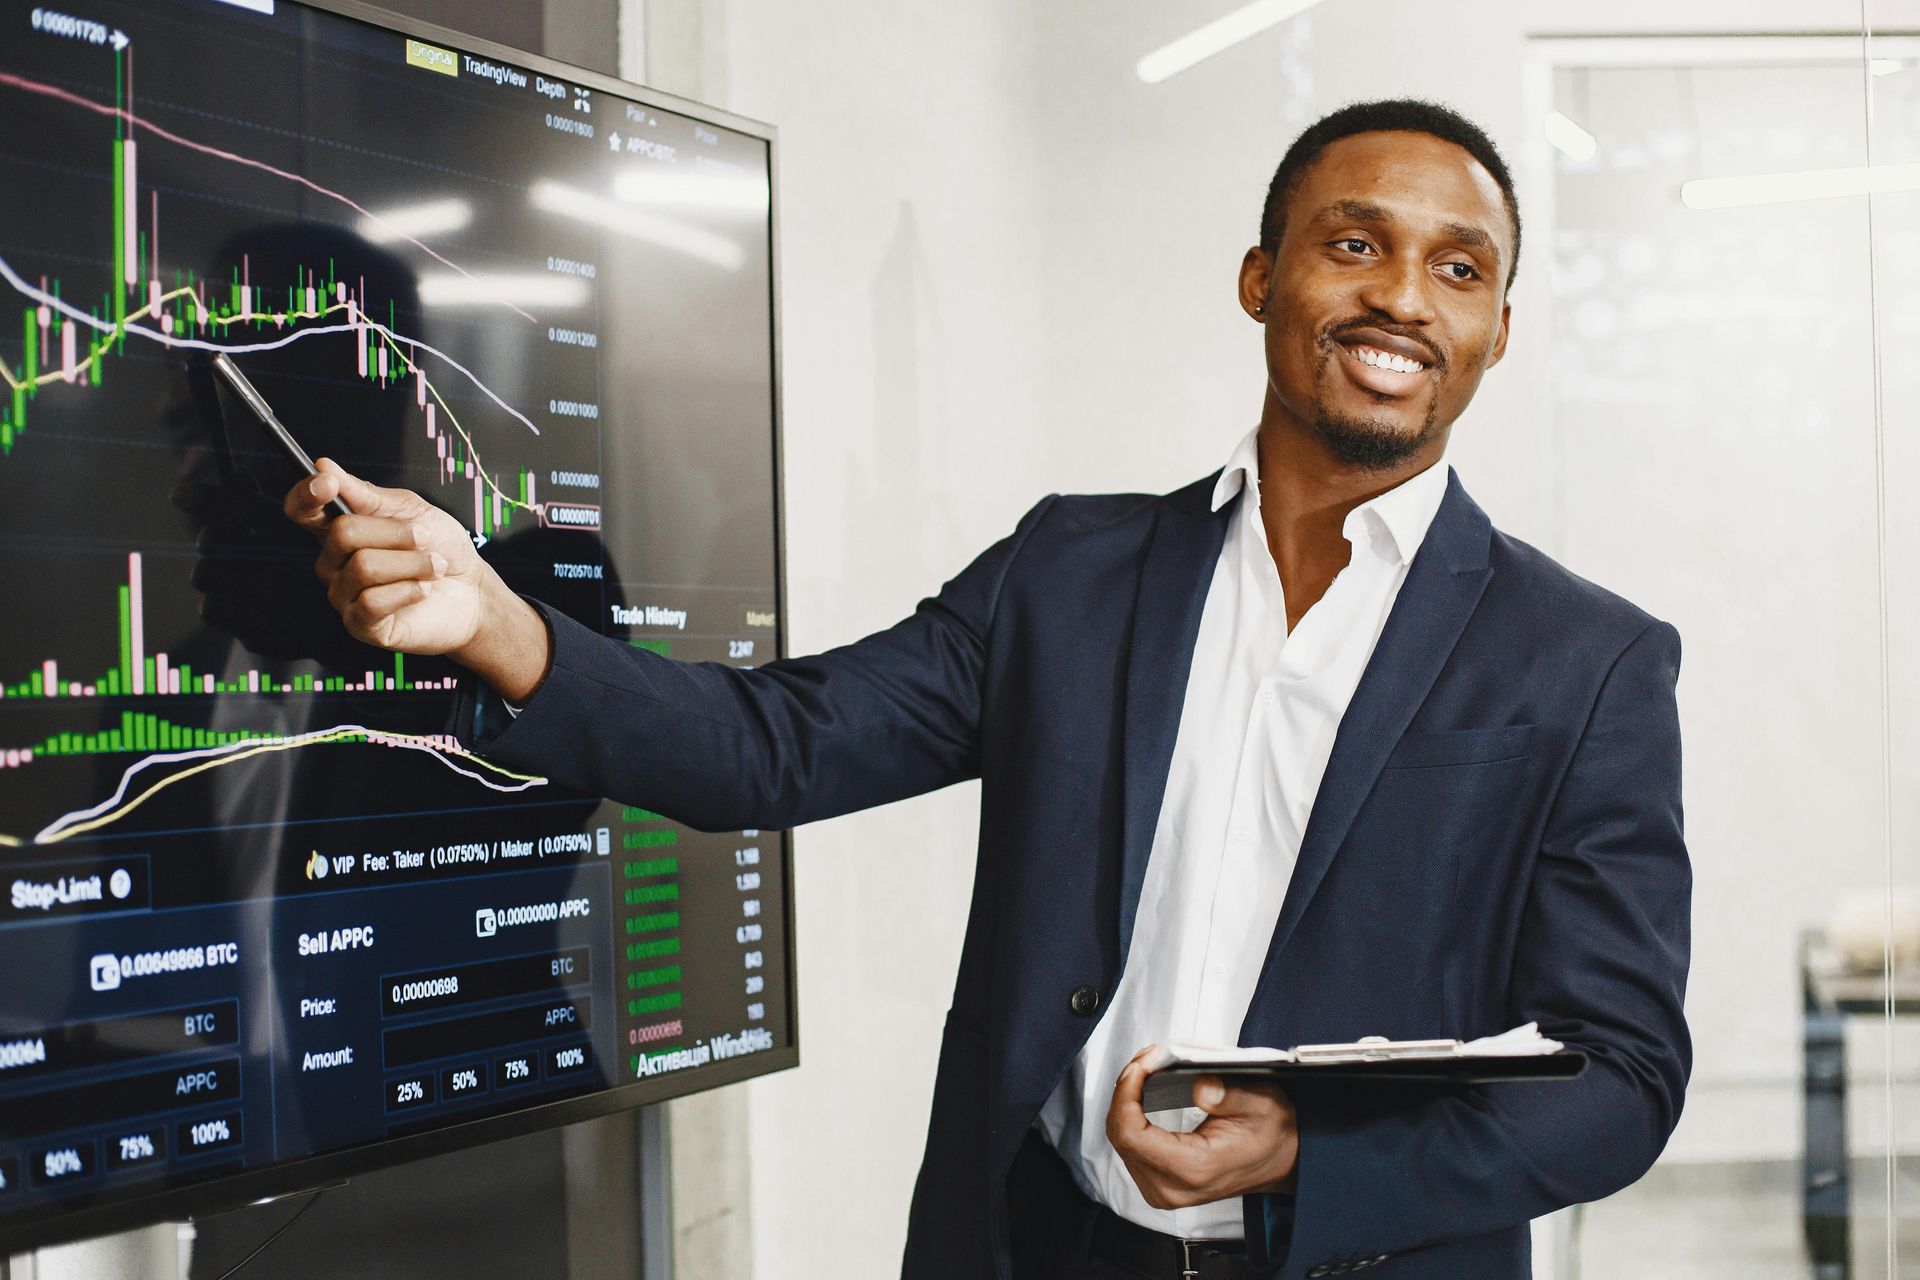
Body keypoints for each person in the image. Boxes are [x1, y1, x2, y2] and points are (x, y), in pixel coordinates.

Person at [283, 99, 1690, 1279]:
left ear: (1500, 329)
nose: (1400, 295)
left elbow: (1619, 1078)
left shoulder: (1583, 659)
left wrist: (1316, 1147)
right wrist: (493, 620)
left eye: (1460, 269)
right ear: (1262, 278)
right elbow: (773, 749)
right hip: (1045, 1249)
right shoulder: (1068, 575)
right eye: (1353, 244)